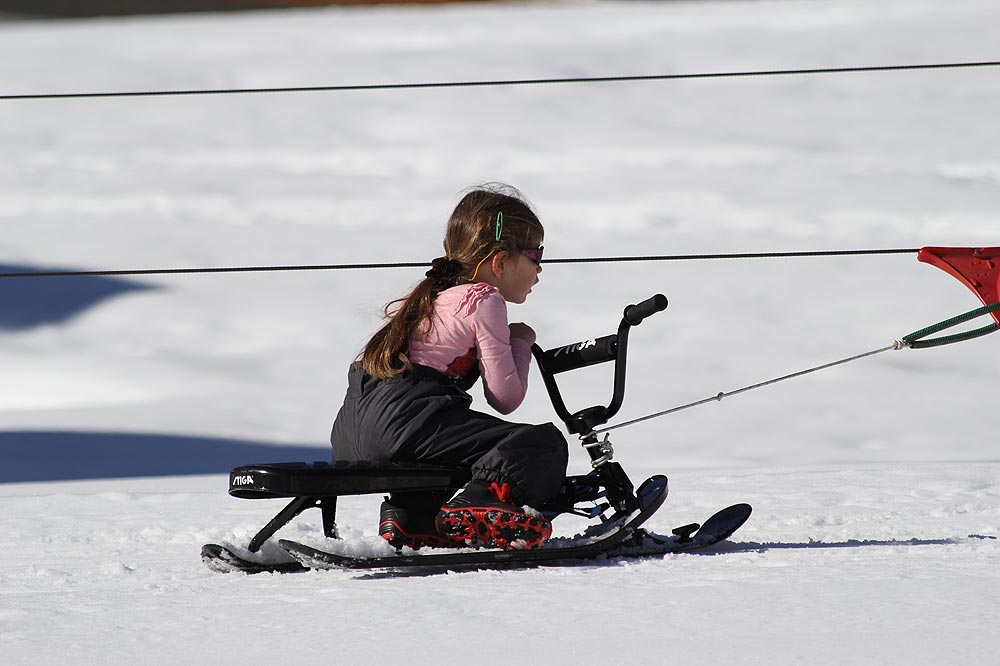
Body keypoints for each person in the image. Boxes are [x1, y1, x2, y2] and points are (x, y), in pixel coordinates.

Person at [330, 184, 569, 551]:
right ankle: (484, 503)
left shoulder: (434, 297)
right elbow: (505, 397)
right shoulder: (483, 298)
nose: (540, 268)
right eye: (536, 254)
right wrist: (520, 341)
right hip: (407, 419)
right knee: (539, 443)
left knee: (461, 445)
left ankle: (412, 517)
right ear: (500, 262)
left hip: (352, 431)